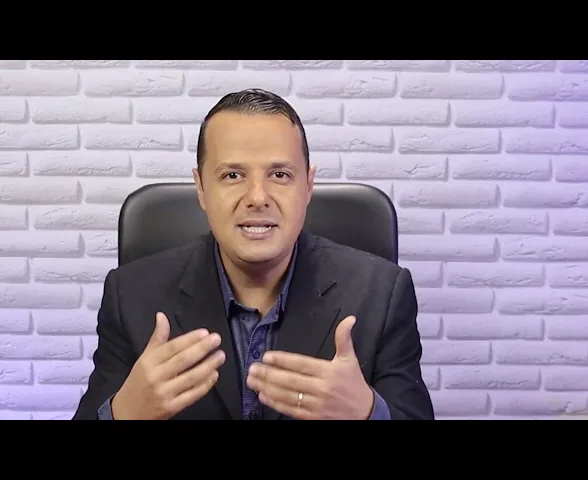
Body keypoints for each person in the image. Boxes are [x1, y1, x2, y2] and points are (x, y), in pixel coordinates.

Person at [72, 88, 434, 420]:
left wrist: (368, 413)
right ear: (201, 188)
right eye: (232, 175)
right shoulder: (130, 295)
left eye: (280, 174)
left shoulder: (382, 294)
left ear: (308, 186)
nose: (258, 197)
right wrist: (122, 414)